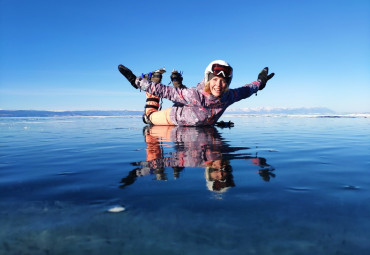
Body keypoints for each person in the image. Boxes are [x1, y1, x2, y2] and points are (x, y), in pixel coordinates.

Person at [118, 60, 274, 126]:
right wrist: (136, 81)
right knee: (149, 118)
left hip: (192, 113)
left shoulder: (228, 97)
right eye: (214, 80)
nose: (219, 85)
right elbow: (165, 91)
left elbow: (246, 90)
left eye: (223, 81)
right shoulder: (195, 95)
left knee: (181, 93)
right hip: (174, 118)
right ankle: (154, 79)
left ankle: (176, 81)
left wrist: (260, 82)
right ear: (207, 79)